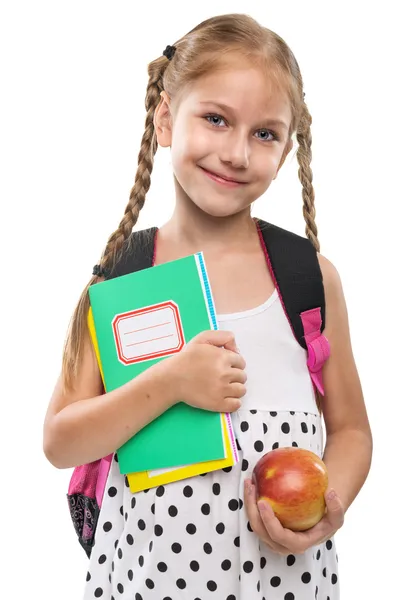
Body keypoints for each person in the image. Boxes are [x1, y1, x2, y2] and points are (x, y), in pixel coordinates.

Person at [43, 13, 373, 600]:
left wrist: (331, 505)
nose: (237, 153)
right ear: (166, 118)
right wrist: (170, 383)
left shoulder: (309, 279)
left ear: (287, 148)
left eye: (265, 134)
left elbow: (349, 429)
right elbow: (61, 440)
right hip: (151, 584)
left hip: (291, 584)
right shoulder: (123, 279)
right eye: (216, 119)